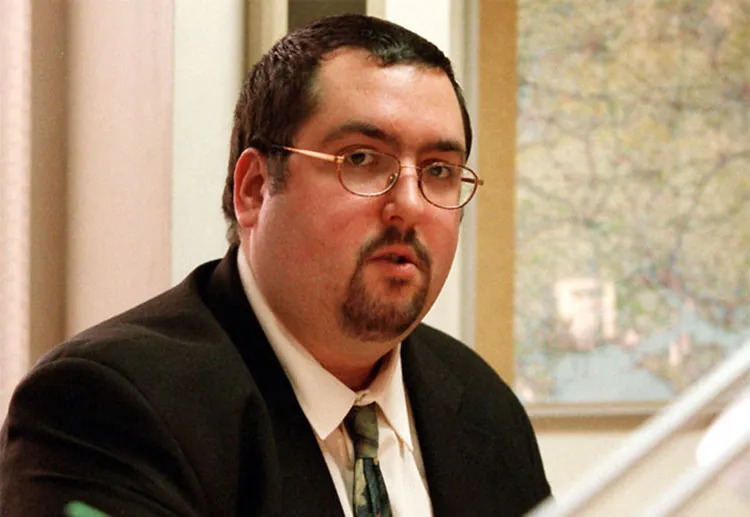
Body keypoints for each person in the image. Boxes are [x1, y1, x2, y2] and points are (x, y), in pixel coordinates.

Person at [0, 14, 550, 517]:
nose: (409, 204)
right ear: (255, 189)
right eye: (361, 159)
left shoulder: (479, 404)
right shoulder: (105, 407)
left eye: (439, 171)